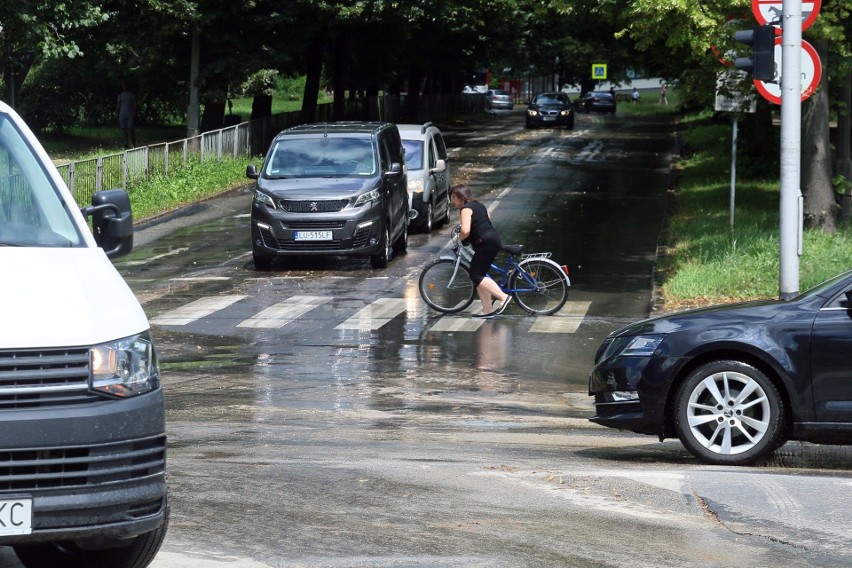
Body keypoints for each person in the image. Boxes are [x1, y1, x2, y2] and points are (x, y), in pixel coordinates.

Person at [450, 185, 512, 318]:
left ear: (461, 197)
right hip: (491, 239)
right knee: (479, 276)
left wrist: (459, 239)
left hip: (485, 243)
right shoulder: (478, 204)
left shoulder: (466, 209)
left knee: (476, 275)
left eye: (454, 197)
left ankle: (503, 297)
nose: (453, 201)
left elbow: (465, 231)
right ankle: (487, 311)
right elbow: (487, 218)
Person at [115, 81, 137, 149]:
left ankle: (133, 142)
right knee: (124, 130)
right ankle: (126, 143)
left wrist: (135, 112)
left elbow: (134, 103)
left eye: (125, 85)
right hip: (122, 114)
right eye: (123, 85)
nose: (124, 86)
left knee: (131, 129)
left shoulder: (131, 94)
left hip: (130, 113)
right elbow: (118, 104)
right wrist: (116, 112)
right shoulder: (120, 95)